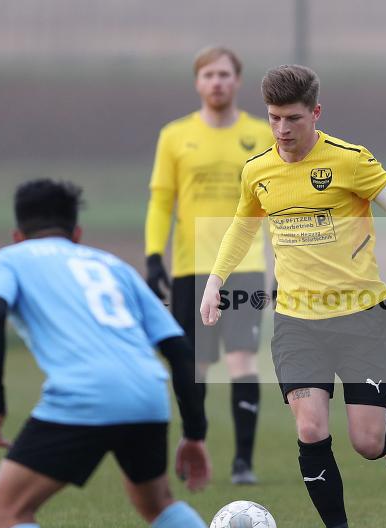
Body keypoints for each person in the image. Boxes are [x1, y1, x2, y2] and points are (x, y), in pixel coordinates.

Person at [199, 65, 386, 528]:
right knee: (310, 428)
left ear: (316, 114)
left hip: (361, 319)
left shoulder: (351, 161)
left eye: (292, 118)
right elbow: (242, 226)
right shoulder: (258, 169)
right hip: (296, 321)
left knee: (366, 442)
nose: (282, 130)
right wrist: (216, 280)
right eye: (273, 119)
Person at [0, 179, 238, 528]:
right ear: (77, 234)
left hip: (85, 395)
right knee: (157, 503)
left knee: (6, 510)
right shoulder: (111, 265)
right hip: (147, 394)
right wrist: (194, 432)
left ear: (17, 235)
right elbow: (178, 348)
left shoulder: (8, 260)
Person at [144, 46, 273, 484]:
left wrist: (284, 262)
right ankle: (194, 442)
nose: (216, 82)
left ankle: (243, 462)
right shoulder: (174, 136)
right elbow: (162, 201)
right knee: (192, 364)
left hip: (246, 264)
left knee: (242, 360)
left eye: (224, 74)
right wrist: (152, 255)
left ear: (237, 81)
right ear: (197, 83)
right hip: (190, 268)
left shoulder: (263, 133)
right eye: (208, 75)